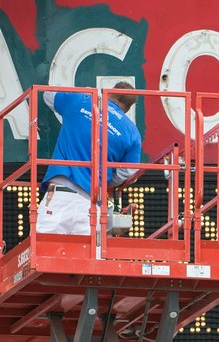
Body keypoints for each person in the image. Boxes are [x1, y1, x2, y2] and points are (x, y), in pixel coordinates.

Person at [36, 88, 143, 236]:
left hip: (59, 195)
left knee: (42, 253)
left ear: (108, 93)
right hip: (90, 205)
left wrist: (80, 92)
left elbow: (48, 95)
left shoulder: (80, 101)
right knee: (90, 257)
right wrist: (106, 181)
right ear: (128, 107)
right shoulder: (132, 132)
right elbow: (127, 172)